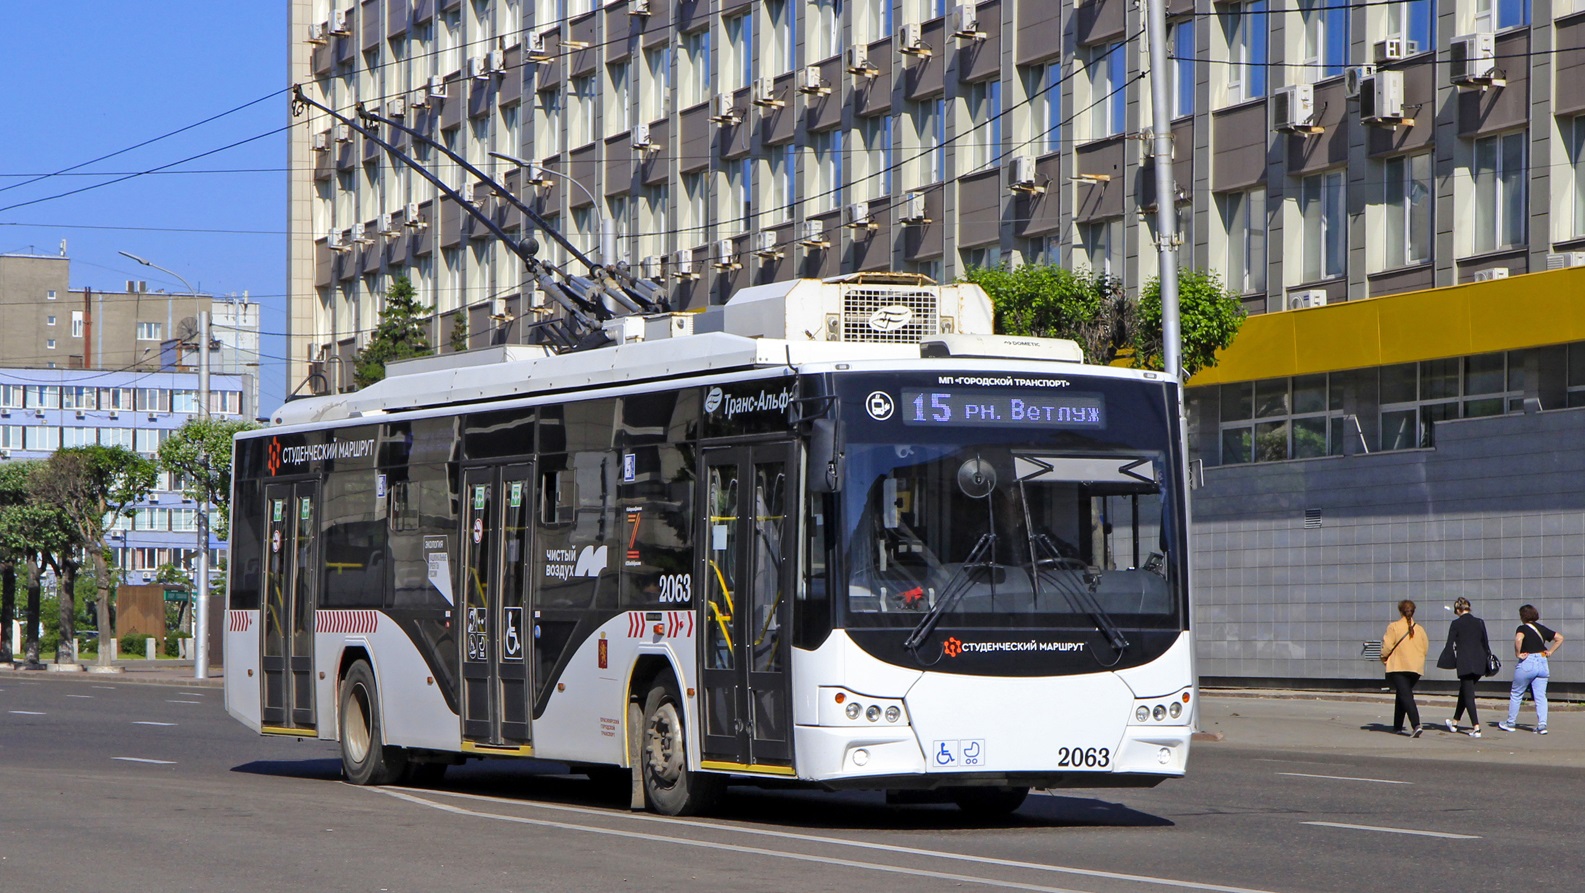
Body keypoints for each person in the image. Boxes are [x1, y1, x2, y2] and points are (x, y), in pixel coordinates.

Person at [1499, 604, 1563, 734]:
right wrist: (1550, 651)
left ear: (1522, 616)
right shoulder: (1541, 628)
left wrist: (1518, 653)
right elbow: (1559, 638)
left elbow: (1518, 639)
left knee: (1517, 693)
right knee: (1540, 696)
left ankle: (1510, 723)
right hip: (1542, 661)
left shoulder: (1522, 628)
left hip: (1528, 662)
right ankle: (1542, 725)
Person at [1441, 597, 1491, 738]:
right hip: (1480, 662)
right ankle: (1455, 722)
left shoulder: (1456, 624)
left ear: (1458, 609)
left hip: (1465, 662)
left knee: (1468, 695)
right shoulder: (1479, 622)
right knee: (1465, 691)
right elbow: (1485, 644)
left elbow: (1449, 644)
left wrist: (1448, 660)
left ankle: (1476, 728)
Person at [1381, 599, 1428, 737]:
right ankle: (1397, 726)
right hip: (1415, 668)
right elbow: (1425, 648)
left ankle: (1416, 724)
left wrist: (1383, 657)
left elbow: (1387, 646)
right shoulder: (1420, 629)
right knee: (1402, 693)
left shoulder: (1394, 627)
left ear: (1400, 611)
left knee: (1406, 695)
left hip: (1399, 666)